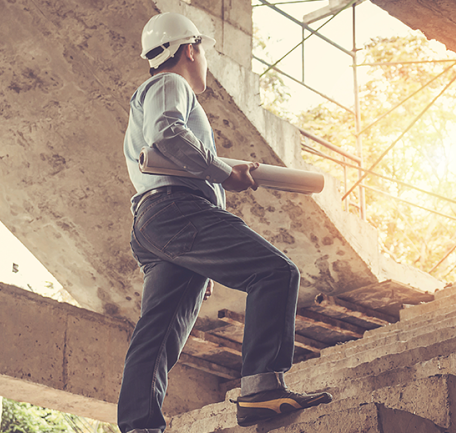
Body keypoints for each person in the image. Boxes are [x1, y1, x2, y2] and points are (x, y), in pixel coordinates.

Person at [117, 12, 333, 433]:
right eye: (203, 51)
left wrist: (201, 259)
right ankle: (262, 391)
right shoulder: (169, 83)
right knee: (276, 272)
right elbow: (168, 134)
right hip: (178, 212)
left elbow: (164, 147)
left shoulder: (148, 92)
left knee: (157, 332)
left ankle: (140, 426)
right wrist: (224, 173)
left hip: (156, 222)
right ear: (190, 48)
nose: (204, 61)